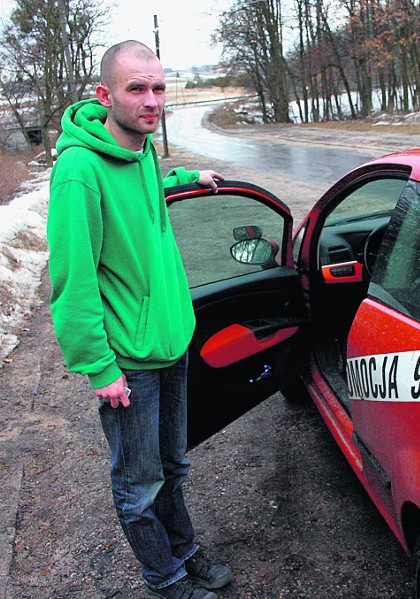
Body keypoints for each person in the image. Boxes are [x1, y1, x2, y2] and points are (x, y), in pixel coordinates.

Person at [47, 40, 231, 599]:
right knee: (139, 484)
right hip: (129, 360)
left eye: (158, 87)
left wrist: (185, 178)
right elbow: (72, 283)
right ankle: (165, 578)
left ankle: (184, 552)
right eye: (136, 88)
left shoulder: (143, 151)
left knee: (173, 467)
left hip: (169, 344)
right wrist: (99, 367)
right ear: (105, 95)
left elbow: (145, 198)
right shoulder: (78, 170)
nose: (151, 100)